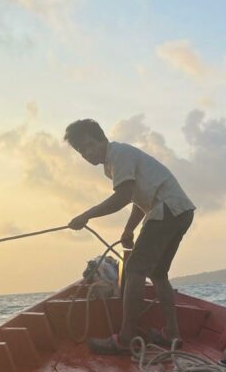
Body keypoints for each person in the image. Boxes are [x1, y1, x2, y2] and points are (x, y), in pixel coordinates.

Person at [64, 119, 195, 354]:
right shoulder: (114, 162)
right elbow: (137, 198)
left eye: (90, 145)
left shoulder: (118, 155)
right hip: (180, 211)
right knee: (158, 273)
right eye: (81, 150)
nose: (87, 153)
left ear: (102, 139)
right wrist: (129, 229)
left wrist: (86, 215)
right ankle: (172, 333)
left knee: (134, 269)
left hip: (166, 209)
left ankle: (125, 339)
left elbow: (123, 197)